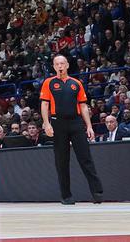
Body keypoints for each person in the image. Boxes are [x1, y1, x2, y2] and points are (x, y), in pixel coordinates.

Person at [40, 55, 104, 205]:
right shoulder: (48, 83)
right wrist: (46, 124)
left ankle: (97, 193)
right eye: (57, 64)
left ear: (67, 65)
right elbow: (44, 104)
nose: (60, 66)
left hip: (76, 123)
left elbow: (83, 106)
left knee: (85, 158)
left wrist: (89, 126)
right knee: (61, 161)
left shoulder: (76, 83)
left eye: (62, 63)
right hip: (58, 123)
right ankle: (66, 196)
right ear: (54, 66)